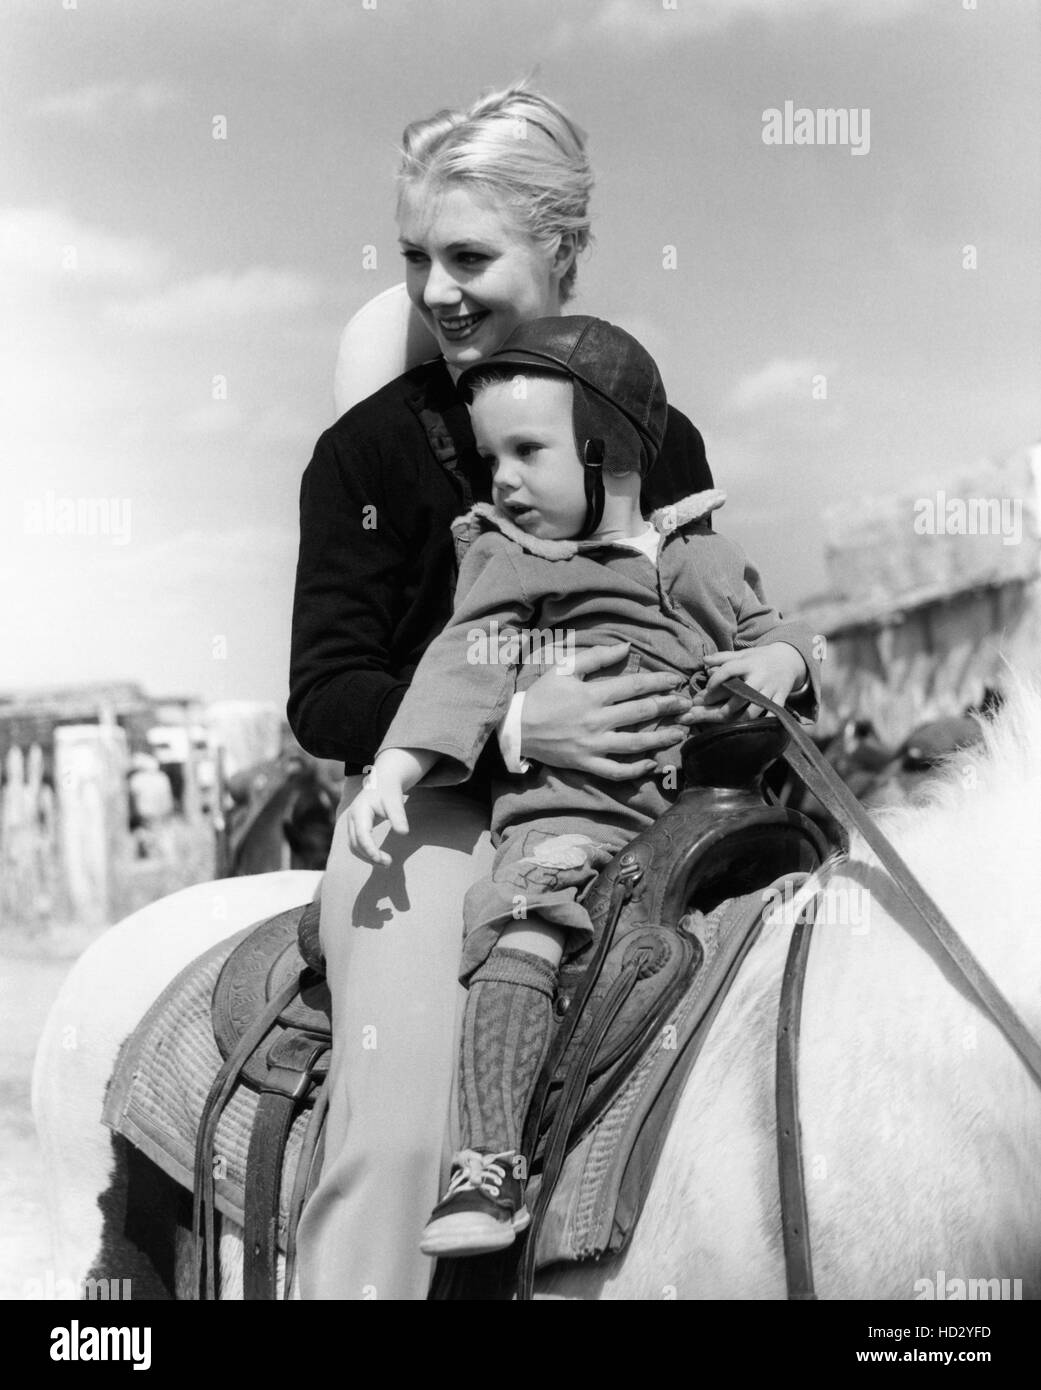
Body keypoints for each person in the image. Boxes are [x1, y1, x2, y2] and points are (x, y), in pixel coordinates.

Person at [289, 82, 722, 1300]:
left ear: (562, 248)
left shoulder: (661, 436)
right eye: (416, 258)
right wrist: (517, 723)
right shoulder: (368, 453)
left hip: (638, 804)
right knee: (408, 1129)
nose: (436, 290)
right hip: (431, 819)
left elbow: (693, 607)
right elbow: (327, 692)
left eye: (469, 255)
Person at [344, 315, 821, 1258]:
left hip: (707, 818)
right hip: (574, 816)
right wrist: (396, 766)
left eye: (527, 450)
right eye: (492, 458)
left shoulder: (706, 560)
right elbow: (459, 668)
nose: (503, 479)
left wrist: (774, 663)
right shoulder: (512, 564)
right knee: (524, 919)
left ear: (609, 450)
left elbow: (787, 635)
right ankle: (486, 1163)